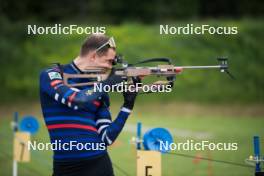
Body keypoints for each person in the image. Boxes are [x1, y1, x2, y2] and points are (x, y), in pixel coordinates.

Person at [39, 34, 138, 176]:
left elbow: (107, 138)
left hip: (99, 164)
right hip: (65, 167)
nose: (110, 67)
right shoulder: (52, 75)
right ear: (93, 56)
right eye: (108, 61)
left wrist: (127, 106)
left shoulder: (97, 89)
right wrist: (108, 83)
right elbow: (76, 100)